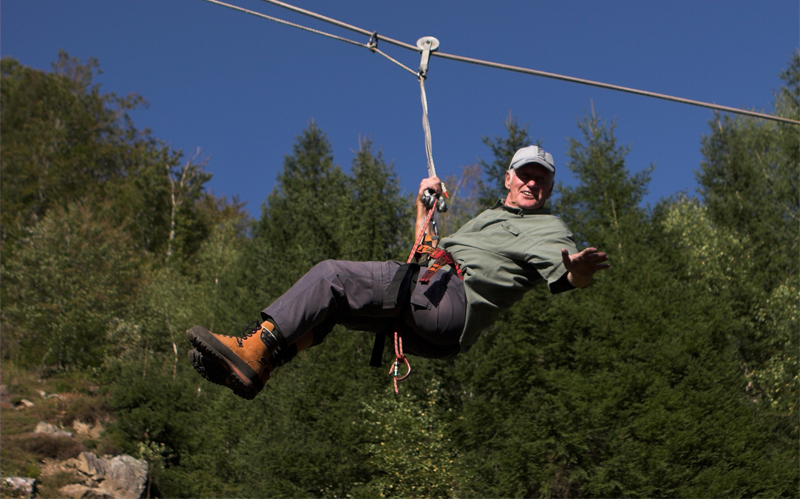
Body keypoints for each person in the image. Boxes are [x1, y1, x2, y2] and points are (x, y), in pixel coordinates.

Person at [187, 145, 609, 399]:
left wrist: (579, 271)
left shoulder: (550, 229)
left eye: (541, 179)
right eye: (525, 175)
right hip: (438, 313)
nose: (532, 183)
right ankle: (260, 366)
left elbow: (569, 277)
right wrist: (423, 208)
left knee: (331, 276)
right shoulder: (489, 219)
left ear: (550, 188)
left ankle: (254, 348)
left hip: (450, 304)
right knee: (330, 309)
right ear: (508, 178)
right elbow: (426, 255)